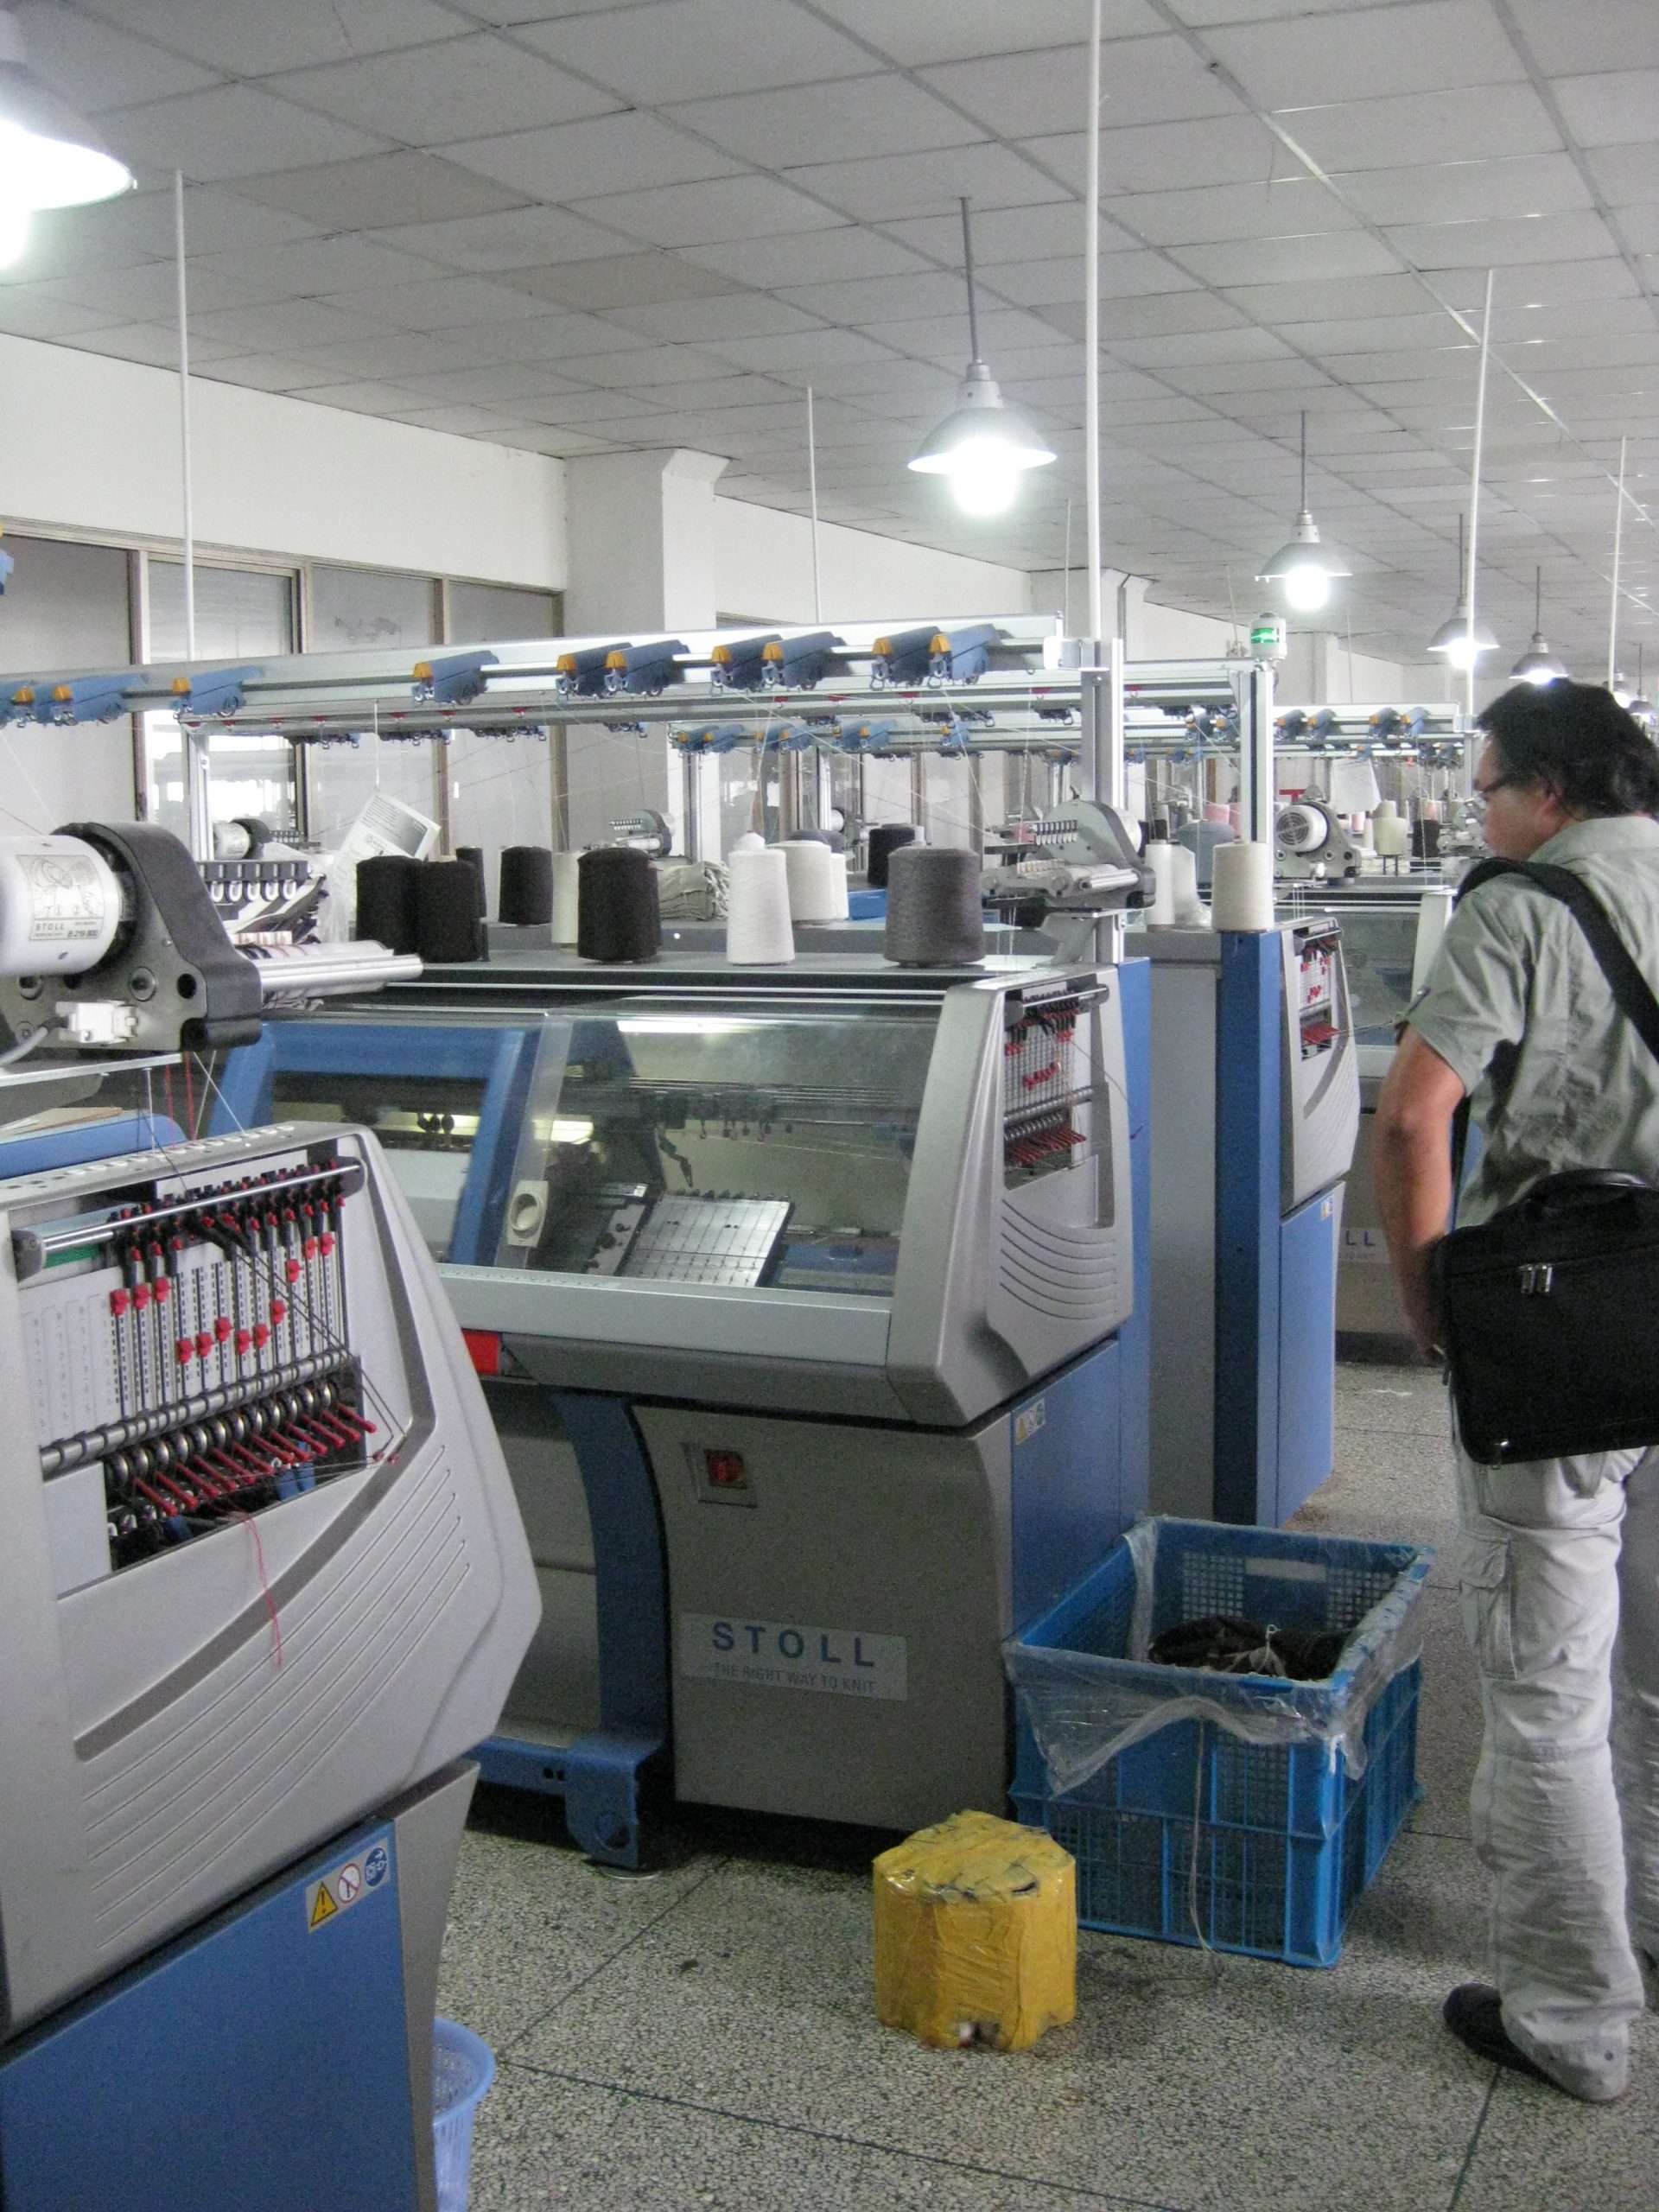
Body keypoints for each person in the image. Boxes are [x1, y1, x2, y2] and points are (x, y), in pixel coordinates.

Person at [1374, 678, 1659, 2104]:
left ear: (1548, 790)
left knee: (1550, 1683)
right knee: (1656, 1664)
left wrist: (1429, 1298)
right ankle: (1648, 1924)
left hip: (1570, 1337)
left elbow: (1416, 1114)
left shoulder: (1522, 906)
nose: (1478, 812)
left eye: (1484, 787)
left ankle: (1575, 2019)